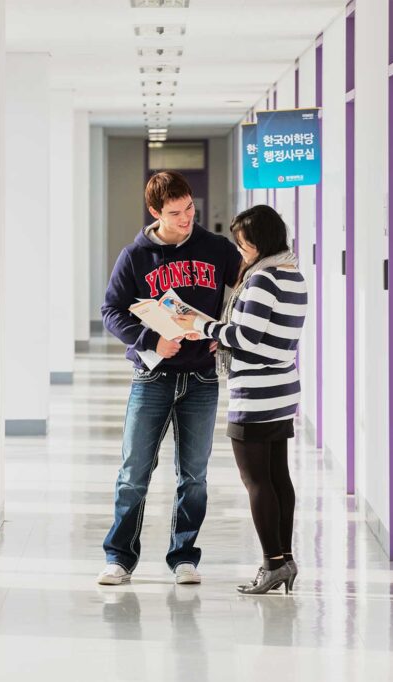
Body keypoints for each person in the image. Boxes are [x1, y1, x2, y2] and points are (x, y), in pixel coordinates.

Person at [97, 170, 242, 586]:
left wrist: (226, 334)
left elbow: (247, 287)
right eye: (175, 212)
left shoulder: (217, 249)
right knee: (133, 472)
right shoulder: (135, 256)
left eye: (190, 208)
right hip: (151, 376)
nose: (186, 219)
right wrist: (149, 340)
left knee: (193, 475)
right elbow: (111, 311)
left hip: (201, 377)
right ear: (155, 212)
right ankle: (119, 558)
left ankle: (184, 556)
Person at [174, 205, 307, 595]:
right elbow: (264, 333)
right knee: (278, 477)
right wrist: (223, 332)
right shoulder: (293, 273)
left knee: (256, 481)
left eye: (244, 243)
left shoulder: (263, 279)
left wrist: (199, 325)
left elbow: (247, 338)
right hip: (282, 386)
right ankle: (284, 558)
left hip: (257, 392)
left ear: (259, 242)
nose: (241, 250)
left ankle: (272, 565)